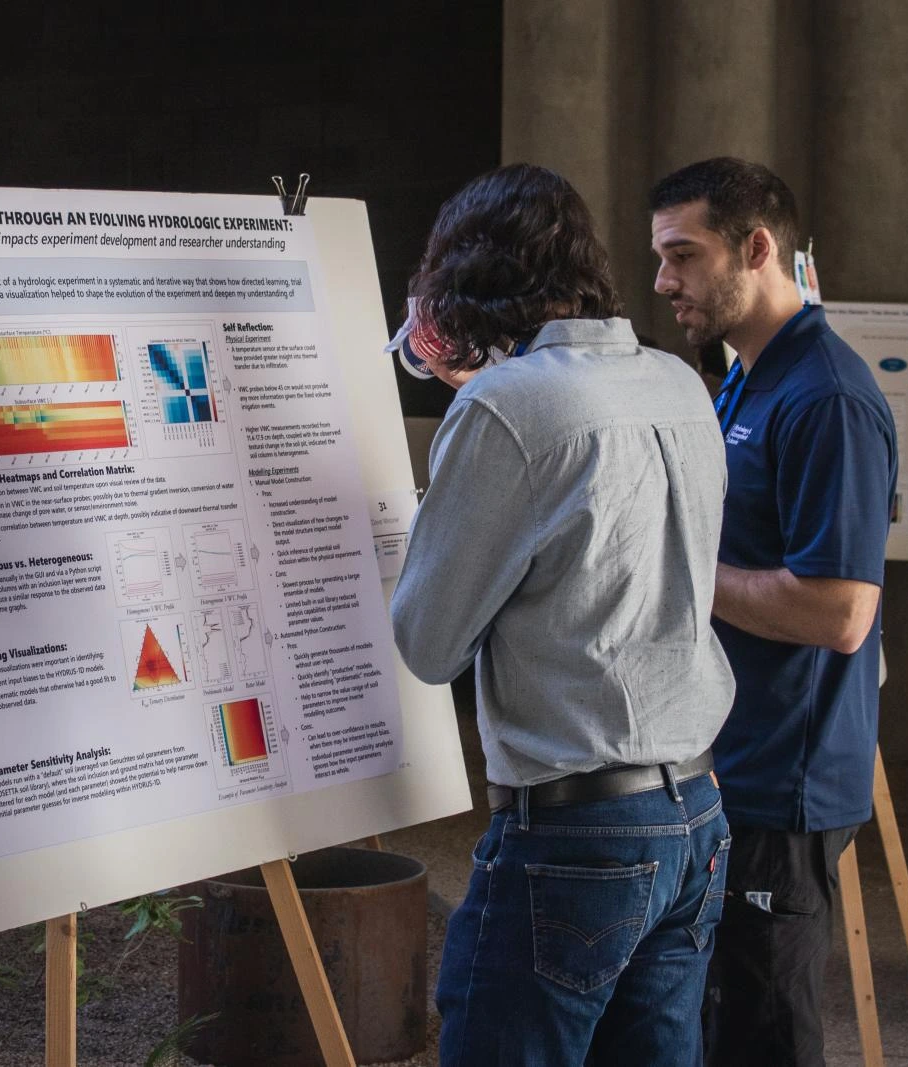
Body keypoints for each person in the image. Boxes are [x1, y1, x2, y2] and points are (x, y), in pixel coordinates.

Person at [391, 163, 736, 1066]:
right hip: (696, 813)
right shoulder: (679, 382)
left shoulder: (506, 406)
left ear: (463, 276)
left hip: (577, 833)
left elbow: (428, 642)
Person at [649, 157, 897, 1067]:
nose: (663, 281)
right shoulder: (748, 375)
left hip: (784, 782)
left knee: (766, 1039)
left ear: (757, 249)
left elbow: (840, 612)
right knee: (722, 1029)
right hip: (731, 762)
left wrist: (675, 568)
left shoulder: (827, 396)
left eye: (684, 255)